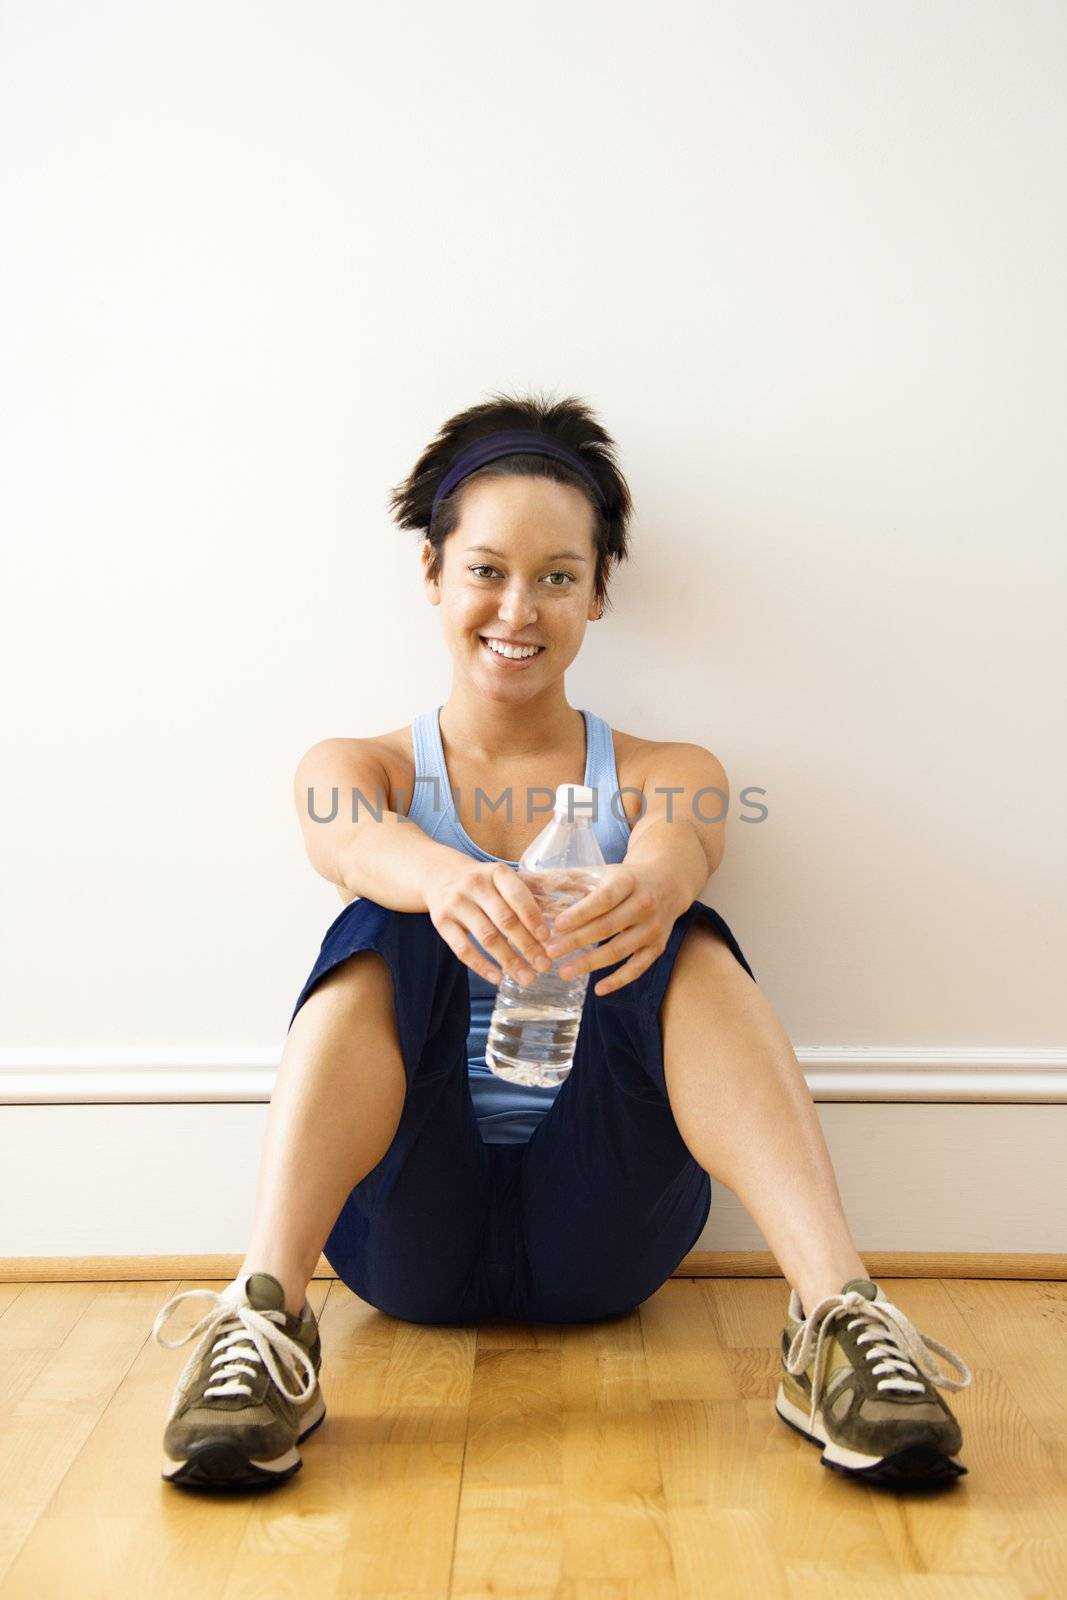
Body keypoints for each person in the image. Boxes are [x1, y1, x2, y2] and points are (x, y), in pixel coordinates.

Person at [152, 390, 972, 1494]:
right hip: (406, 1228)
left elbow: (684, 843)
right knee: (379, 923)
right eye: (486, 569)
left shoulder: (661, 765)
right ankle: (261, 1319)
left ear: (596, 594)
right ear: (433, 577)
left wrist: (641, 882)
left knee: (675, 929)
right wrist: (452, 882)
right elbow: (342, 842)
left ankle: (836, 1316)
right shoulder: (363, 767)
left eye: (555, 576)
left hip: (604, 1223)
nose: (517, 608)